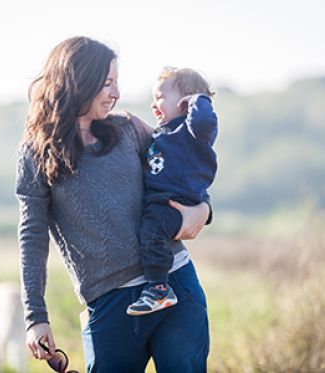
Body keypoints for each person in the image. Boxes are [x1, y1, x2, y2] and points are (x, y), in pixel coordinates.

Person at [15, 36, 211, 373]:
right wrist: (35, 317)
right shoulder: (35, 154)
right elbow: (32, 238)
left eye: (116, 82)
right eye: (107, 83)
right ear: (78, 81)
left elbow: (184, 167)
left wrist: (204, 210)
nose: (116, 93)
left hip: (175, 284)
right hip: (111, 304)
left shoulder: (128, 128)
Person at [126, 67, 217, 316]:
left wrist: (199, 99)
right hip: (160, 199)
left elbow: (204, 120)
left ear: (185, 103)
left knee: (152, 234)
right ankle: (157, 286)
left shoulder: (192, 131)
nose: (155, 103)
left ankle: (158, 288)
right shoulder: (164, 132)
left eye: (160, 96)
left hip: (176, 202)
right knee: (150, 232)